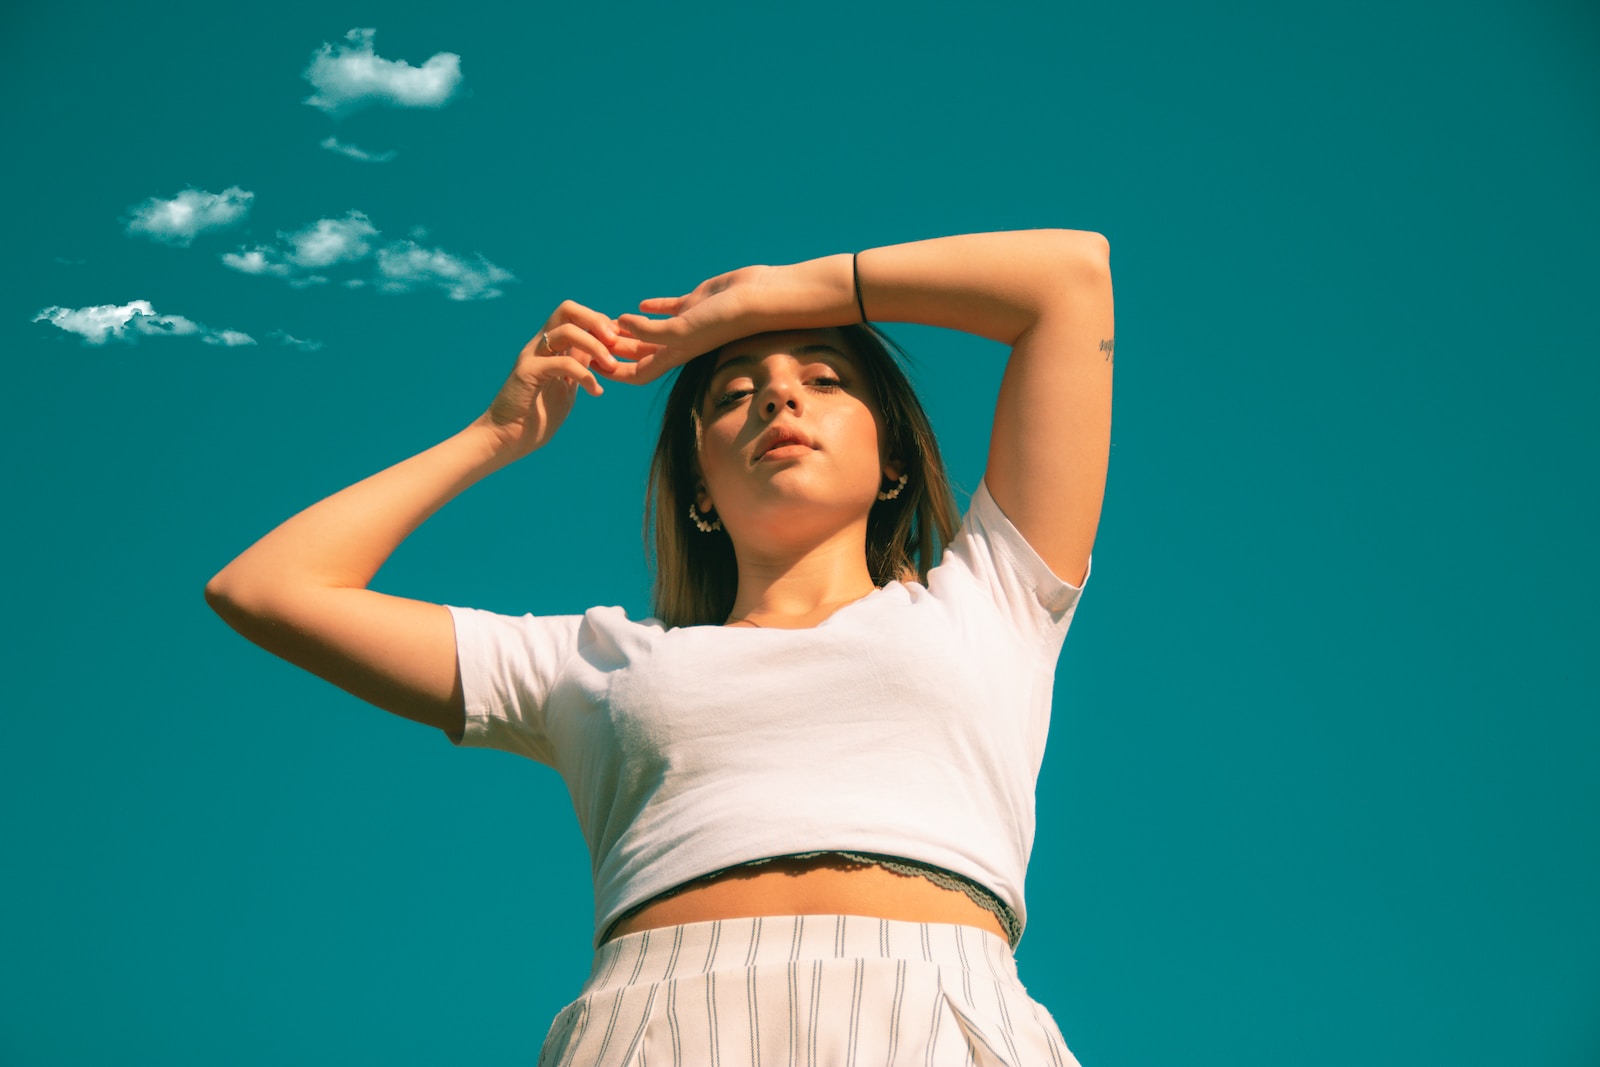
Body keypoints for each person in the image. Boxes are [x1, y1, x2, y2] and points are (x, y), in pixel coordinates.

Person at [206, 228, 1114, 1066]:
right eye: (732, 395)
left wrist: (777, 295)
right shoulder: (591, 660)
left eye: (827, 378)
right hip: (655, 1024)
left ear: (896, 465)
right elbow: (267, 589)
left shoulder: (992, 593)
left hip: (942, 1008)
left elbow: (1067, 280)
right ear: (700, 490)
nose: (779, 394)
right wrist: (495, 436)